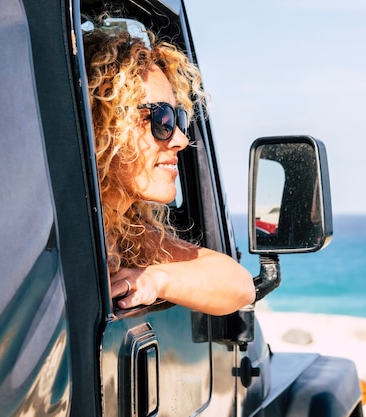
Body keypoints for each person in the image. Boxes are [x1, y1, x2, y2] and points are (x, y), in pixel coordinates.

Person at [82, 24, 255, 315]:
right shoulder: (61, 232)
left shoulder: (124, 234)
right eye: (161, 119)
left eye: (179, 120)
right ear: (102, 123)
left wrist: (154, 279)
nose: (181, 140)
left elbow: (239, 284)